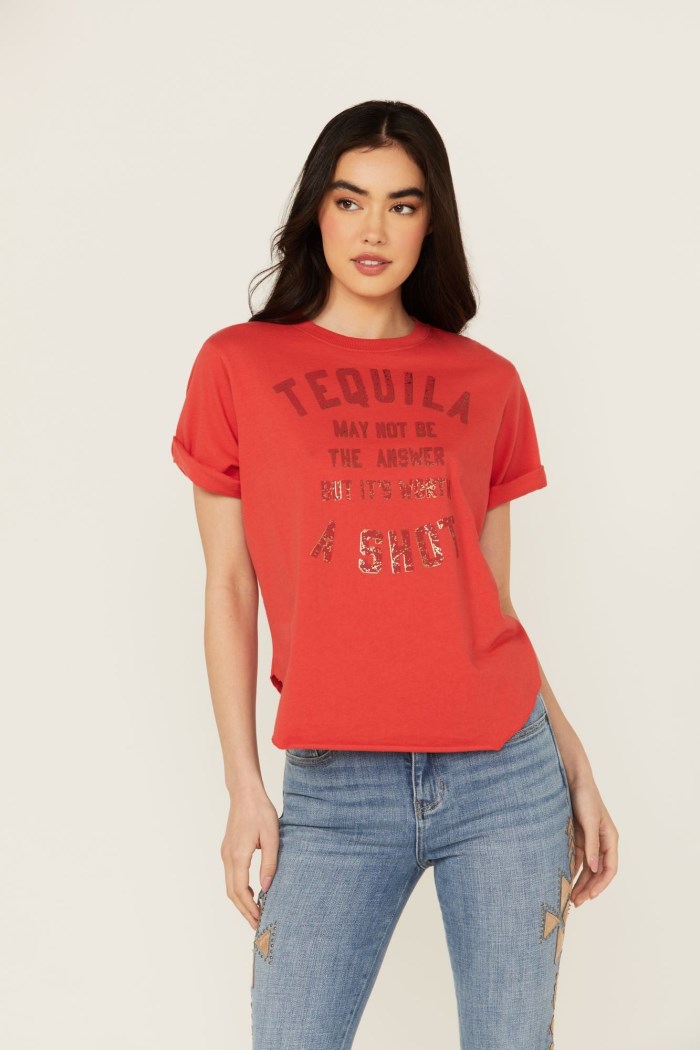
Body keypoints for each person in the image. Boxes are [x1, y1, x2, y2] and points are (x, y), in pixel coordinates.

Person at [170, 99, 619, 1050]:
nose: (373, 230)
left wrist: (573, 757)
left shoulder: (486, 382)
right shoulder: (236, 366)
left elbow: (491, 603)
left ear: (431, 222)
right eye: (351, 201)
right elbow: (229, 589)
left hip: (506, 775)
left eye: (402, 205)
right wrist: (244, 786)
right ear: (317, 213)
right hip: (336, 787)